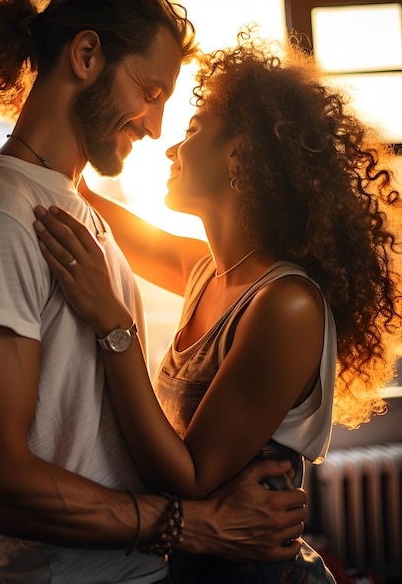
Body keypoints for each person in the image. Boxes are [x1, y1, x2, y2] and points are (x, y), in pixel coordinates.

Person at [0, 0, 308, 584]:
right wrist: (190, 523)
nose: (157, 129)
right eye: (150, 93)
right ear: (86, 55)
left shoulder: (67, 206)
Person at [32, 32, 402, 582]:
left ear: (240, 152)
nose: (171, 147)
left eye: (192, 131)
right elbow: (81, 198)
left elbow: (193, 477)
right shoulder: (204, 269)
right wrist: (53, 124)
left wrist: (113, 325)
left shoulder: (287, 305)